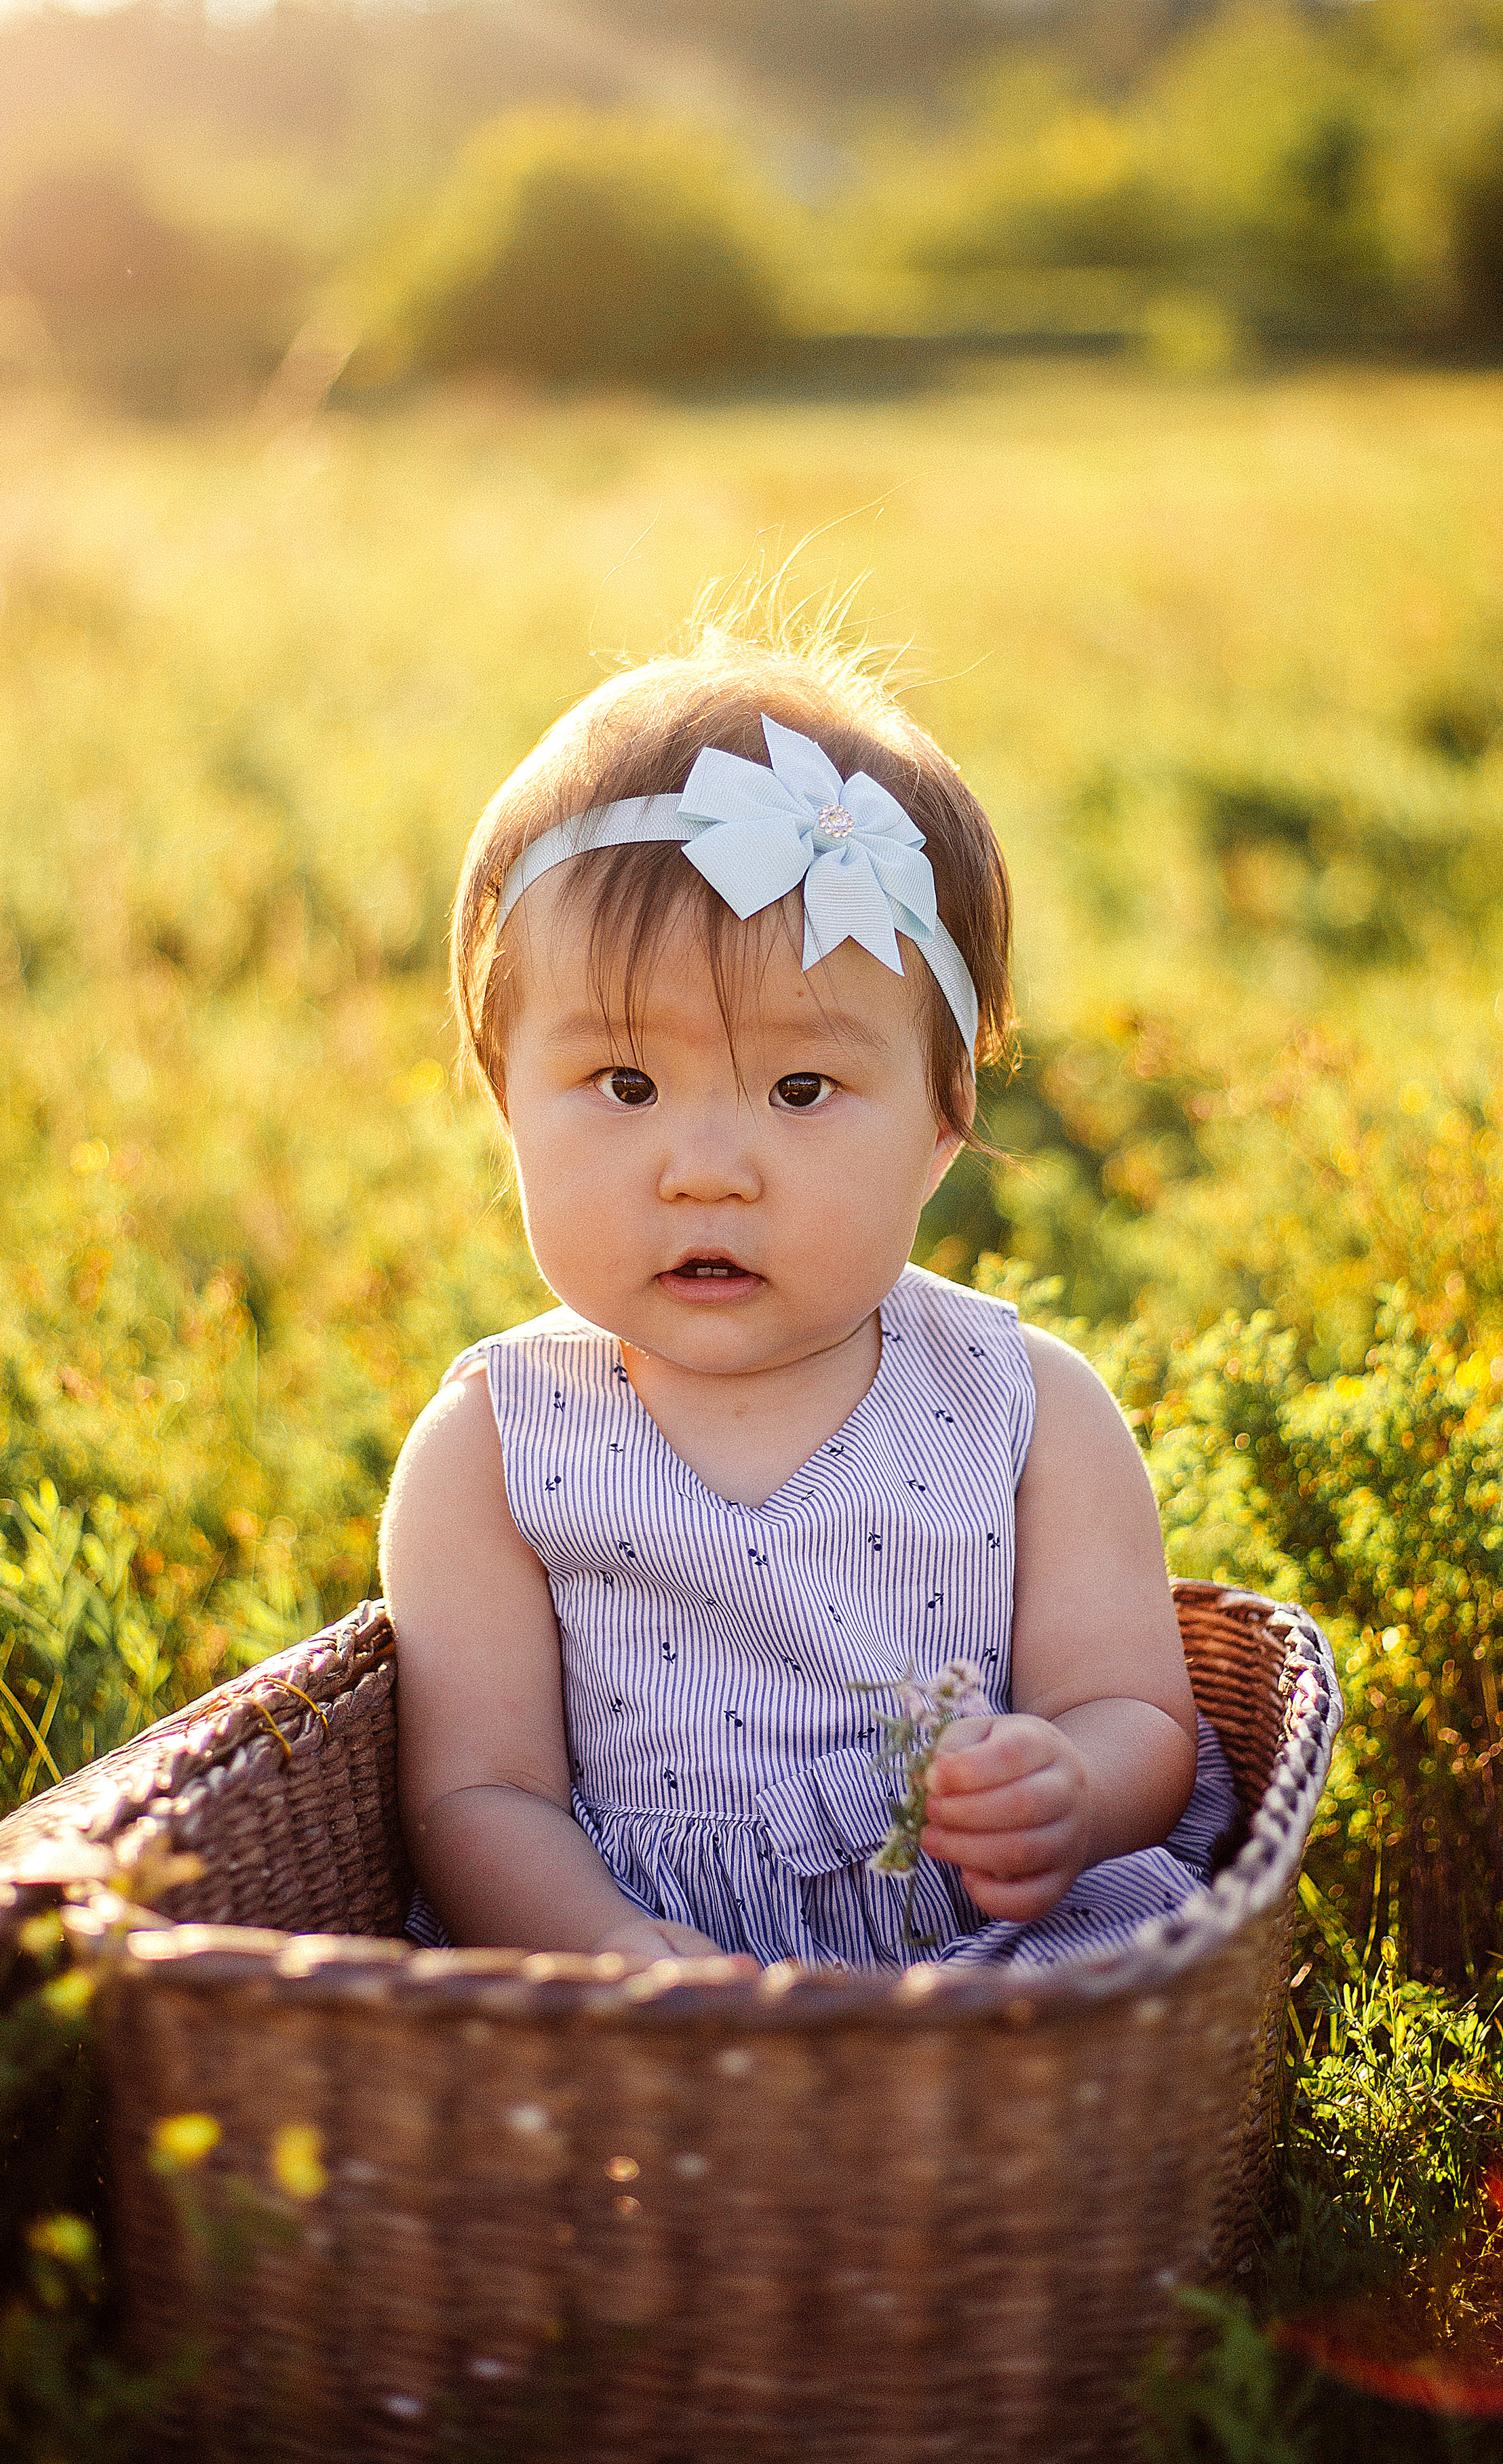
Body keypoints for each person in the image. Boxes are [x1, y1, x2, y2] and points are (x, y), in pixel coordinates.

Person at [379, 633, 1237, 1969]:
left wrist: (1069, 1788)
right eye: (623, 1085)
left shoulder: (1023, 1411)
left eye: (799, 1090)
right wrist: (608, 1946)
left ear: (940, 1125)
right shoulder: (494, 1451)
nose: (706, 1172)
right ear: (507, 1103)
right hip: (633, 2000)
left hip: (984, 1979)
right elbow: (477, 1796)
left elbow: (1132, 1711)